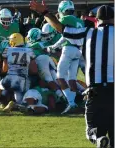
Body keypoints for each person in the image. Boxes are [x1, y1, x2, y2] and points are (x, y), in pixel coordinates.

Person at [30, 2, 114, 147]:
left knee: (92, 132)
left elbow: (61, 28)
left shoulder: (88, 33)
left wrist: (45, 13)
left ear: (97, 21)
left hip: (96, 91)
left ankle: (99, 140)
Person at [0, 33, 36, 112]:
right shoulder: (29, 50)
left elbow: (4, 68)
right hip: (22, 78)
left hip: (10, 77)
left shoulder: (7, 50)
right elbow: (34, 69)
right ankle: (13, 104)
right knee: (20, 101)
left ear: (12, 41)